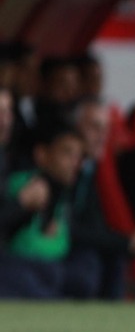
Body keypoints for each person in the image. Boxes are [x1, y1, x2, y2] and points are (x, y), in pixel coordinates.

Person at [62, 98, 135, 301]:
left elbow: (93, 223)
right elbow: (68, 228)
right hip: (48, 255)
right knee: (87, 269)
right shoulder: (64, 170)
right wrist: (124, 242)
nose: (102, 136)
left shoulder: (91, 170)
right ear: (75, 127)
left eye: (106, 128)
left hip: (82, 250)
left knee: (112, 261)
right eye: (94, 127)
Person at [0, 124, 84, 299]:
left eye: (78, 156)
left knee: (83, 273)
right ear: (42, 154)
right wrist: (21, 204)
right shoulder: (20, 184)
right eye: (67, 153)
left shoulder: (68, 192)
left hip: (48, 266)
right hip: (17, 263)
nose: (75, 163)